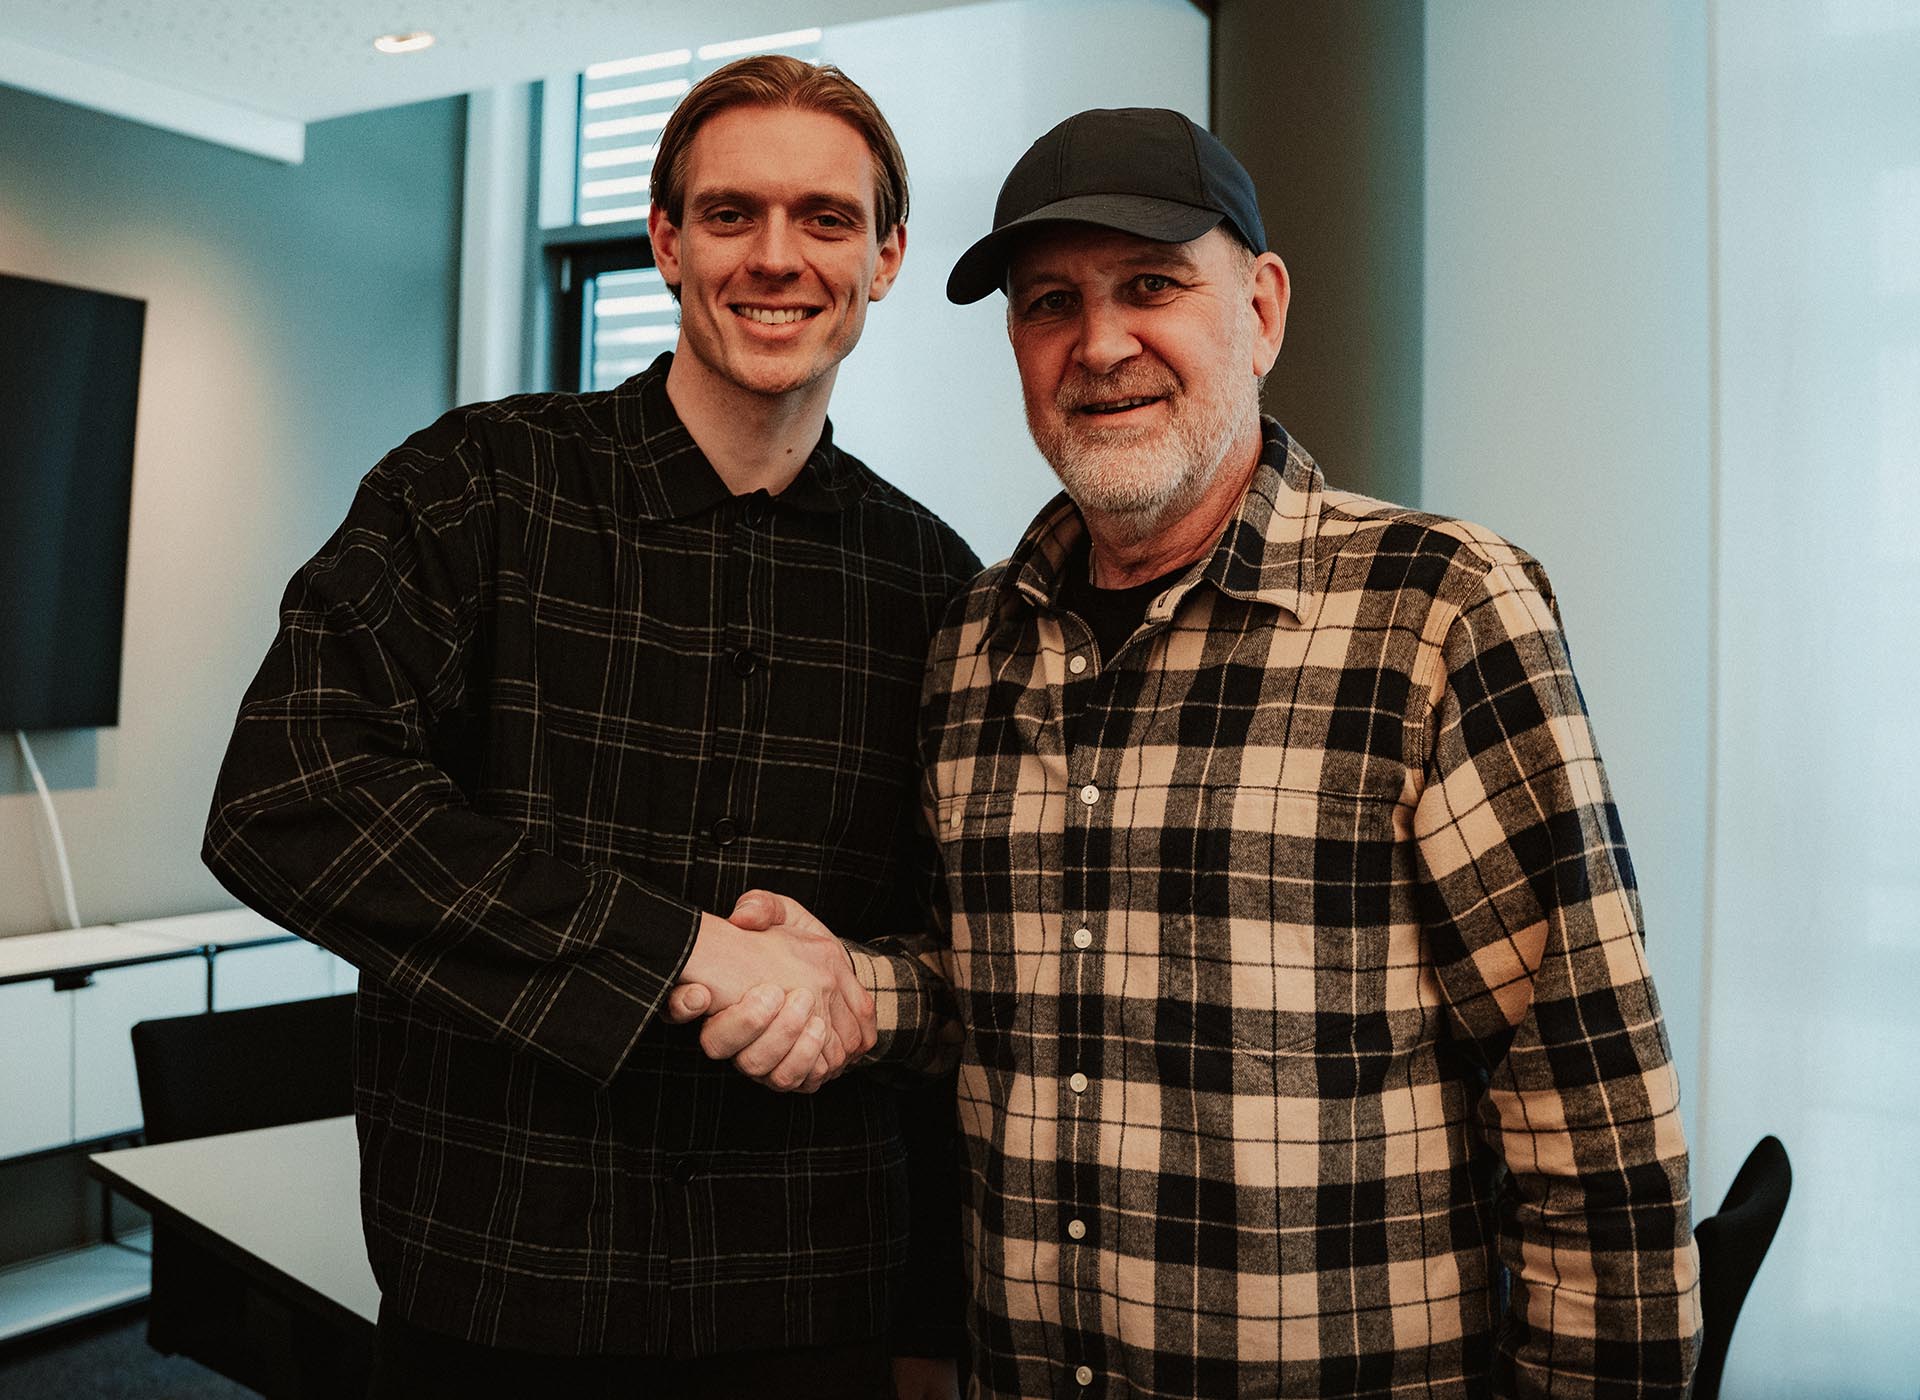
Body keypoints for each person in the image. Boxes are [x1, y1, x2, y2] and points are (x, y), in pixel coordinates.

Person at [687, 107, 1702, 1397]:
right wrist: (852, 987)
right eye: (1051, 303)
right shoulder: (971, 641)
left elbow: (1588, 1096)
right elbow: (992, 985)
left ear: (1262, 310)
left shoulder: (1437, 608)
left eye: (1152, 286)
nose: (1101, 344)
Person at [202, 54, 977, 1400]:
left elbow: (962, 944)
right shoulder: (475, 487)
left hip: (808, 1295)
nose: (776, 258)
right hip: (500, 1285)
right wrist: (679, 951)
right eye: (730, 214)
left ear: (887, 257)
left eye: (826, 219)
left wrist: (928, 1318)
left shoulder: (937, 584)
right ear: (668, 242)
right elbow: (289, 794)